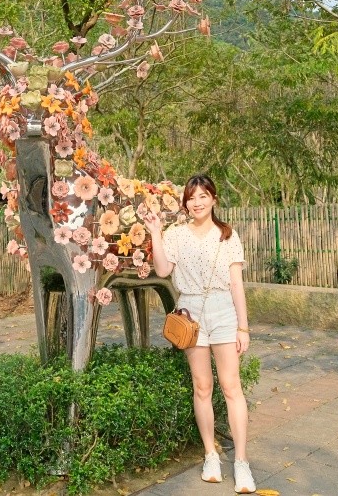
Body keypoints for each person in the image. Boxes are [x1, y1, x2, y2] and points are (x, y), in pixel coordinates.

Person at [144, 174, 256, 494]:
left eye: (203, 196)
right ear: (186, 202)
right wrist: (155, 233)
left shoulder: (227, 235)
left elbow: (237, 285)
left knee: (231, 386)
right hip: (190, 314)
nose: (197, 202)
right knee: (202, 386)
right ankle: (210, 455)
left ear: (214, 199)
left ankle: (242, 462)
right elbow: (164, 270)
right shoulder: (176, 234)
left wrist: (243, 327)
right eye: (192, 197)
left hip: (223, 311)